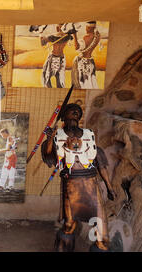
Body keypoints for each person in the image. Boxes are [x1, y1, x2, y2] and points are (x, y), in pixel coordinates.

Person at [41, 103, 116, 252]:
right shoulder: (57, 136)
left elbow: (100, 162)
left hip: (91, 186)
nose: (75, 111)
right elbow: (50, 155)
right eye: (71, 110)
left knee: (102, 233)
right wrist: (50, 138)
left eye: (78, 111)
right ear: (63, 116)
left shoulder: (89, 135)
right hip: (71, 184)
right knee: (69, 225)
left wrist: (109, 187)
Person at [40, 23, 75, 88]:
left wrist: (41, 33)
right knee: (48, 79)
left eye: (58, 26)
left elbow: (42, 43)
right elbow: (43, 43)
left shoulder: (54, 37)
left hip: (56, 58)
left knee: (48, 79)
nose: (57, 28)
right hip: (59, 58)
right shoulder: (67, 36)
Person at [72, 21, 101, 89]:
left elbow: (77, 47)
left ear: (89, 27)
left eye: (86, 27)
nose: (85, 28)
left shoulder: (86, 37)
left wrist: (74, 35)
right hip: (90, 62)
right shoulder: (97, 36)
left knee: (82, 83)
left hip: (83, 62)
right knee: (90, 82)